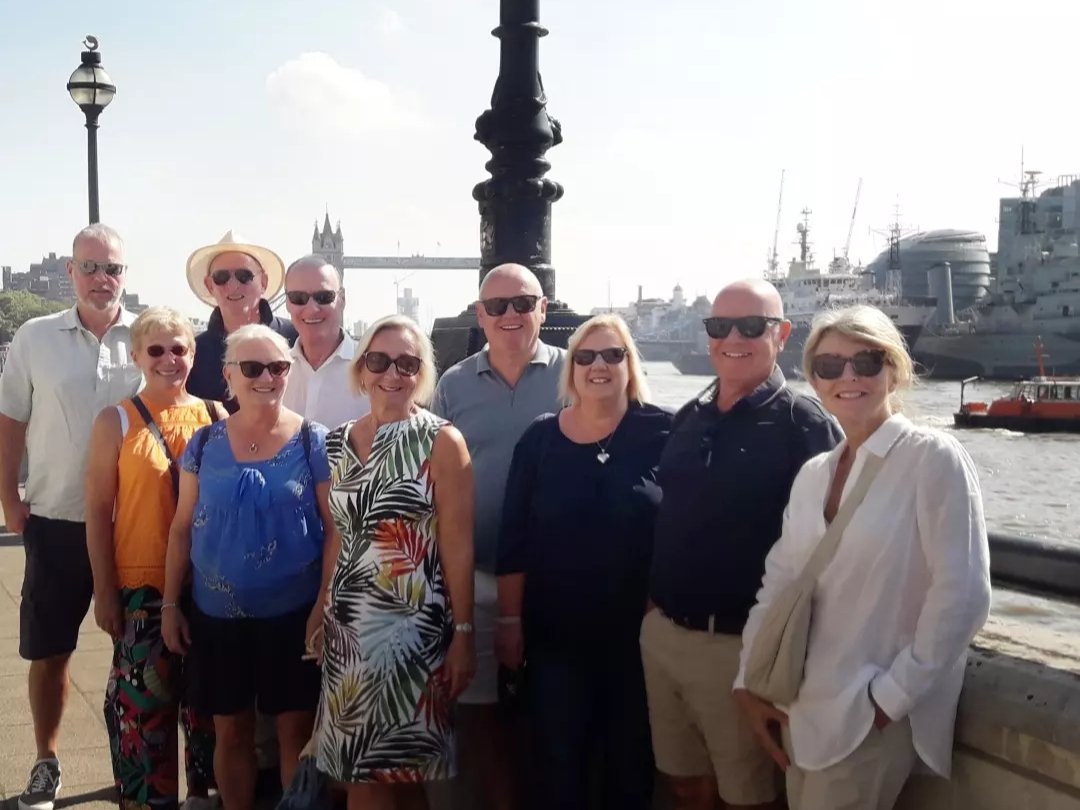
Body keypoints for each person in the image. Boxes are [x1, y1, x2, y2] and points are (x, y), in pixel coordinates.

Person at [734, 305, 991, 810]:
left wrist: (887, 701)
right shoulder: (814, 473)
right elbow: (781, 580)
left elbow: (962, 595)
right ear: (813, 378)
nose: (847, 377)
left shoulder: (931, 457)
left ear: (893, 369)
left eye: (866, 362)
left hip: (865, 716)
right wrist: (748, 679)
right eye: (829, 366)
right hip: (801, 706)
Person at [641, 279, 843, 810]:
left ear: (782, 334)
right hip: (664, 635)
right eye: (719, 325)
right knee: (682, 782)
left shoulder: (807, 426)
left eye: (752, 326)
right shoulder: (689, 417)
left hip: (739, 649)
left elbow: (837, 545)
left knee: (748, 795)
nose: (734, 337)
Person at [496, 314, 672, 809]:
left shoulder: (664, 431)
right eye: (586, 356)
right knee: (559, 770)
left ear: (629, 364)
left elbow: (686, 529)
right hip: (555, 639)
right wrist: (509, 621)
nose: (599, 365)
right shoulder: (540, 439)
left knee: (630, 769)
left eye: (612, 355)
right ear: (570, 368)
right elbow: (514, 537)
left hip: (636, 640)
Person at [0, 223, 142, 810]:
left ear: (124, 274)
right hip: (56, 519)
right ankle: (46, 761)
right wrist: (10, 500)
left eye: (111, 268)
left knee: (138, 655)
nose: (101, 278)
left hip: (135, 522)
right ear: (70, 272)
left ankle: (134, 762)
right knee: (50, 650)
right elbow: (10, 419)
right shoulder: (35, 337)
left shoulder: (150, 335)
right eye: (90, 267)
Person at [162, 324, 333, 810]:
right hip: (217, 618)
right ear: (229, 376)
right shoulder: (203, 443)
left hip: (294, 616)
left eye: (277, 367)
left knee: (293, 734)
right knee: (230, 731)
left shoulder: (311, 440)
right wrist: (172, 604)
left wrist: (323, 604)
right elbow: (180, 528)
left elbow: (334, 529)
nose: (267, 378)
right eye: (253, 368)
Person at [315, 314, 476, 810]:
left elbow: (457, 543)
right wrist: (320, 607)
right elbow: (339, 532)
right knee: (359, 774)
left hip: (410, 637)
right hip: (347, 637)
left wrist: (465, 635)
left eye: (407, 363)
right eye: (380, 360)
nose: (393, 373)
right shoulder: (337, 441)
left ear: (422, 372)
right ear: (362, 369)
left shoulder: (441, 441)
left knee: (403, 773)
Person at [431, 263, 565, 809]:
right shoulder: (453, 383)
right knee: (484, 717)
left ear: (544, 309)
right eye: (497, 306)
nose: (511, 315)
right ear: (480, 314)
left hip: (559, 578)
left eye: (523, 303)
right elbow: (432, 476)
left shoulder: (577, 373)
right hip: (479, 575)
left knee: (559, 714)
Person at [84, 307, 225, 810]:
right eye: (157, 350)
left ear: (194, 353)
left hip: (206, 584)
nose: (170, 359)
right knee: (144, 712)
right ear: (138, 356)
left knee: (208, 709)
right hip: (140, 585)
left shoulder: (216, 416)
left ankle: (204, 795)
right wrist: (104, 590)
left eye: (179, 349)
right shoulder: (116, 420)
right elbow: (99, 512)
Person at [185, 230, 297, 411]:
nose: (233, 285)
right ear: (209, 285)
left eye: (244, 276)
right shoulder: (192, 354)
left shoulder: (296, 337)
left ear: (264, 282)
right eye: (221, 277)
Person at [281, 255, 369, 427]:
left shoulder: (374, 371)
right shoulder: (273, 372)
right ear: (287, 303)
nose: (312, 309)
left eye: (323, 297)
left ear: (342, 299)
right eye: (299, 298)